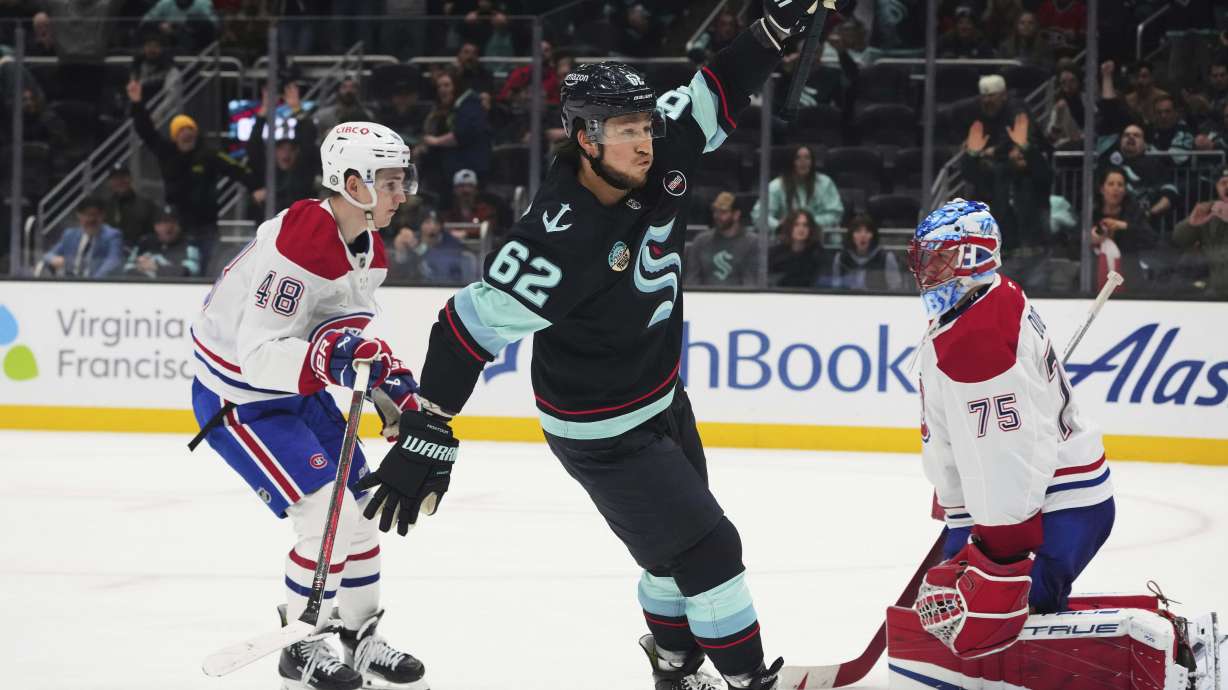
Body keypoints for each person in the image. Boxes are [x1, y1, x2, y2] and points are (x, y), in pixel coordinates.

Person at [355, 3, 847, 688]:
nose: (644, 143)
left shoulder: (664, 147)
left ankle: (675, 669)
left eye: (645, 125)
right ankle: (749, 681)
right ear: (586, 138)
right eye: (625, 131)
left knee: (672, 556)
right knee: (711, 551)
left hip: (662, 397)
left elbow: (719, 86)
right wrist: (427, 423)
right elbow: (465, 326)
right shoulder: (556, 238)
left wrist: (772, 27)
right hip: (600, 429)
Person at [188, 122, 427, 690]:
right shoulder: (299, 241)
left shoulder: (368, 246)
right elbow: (259, 356)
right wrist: (336, 359)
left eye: (403, 181)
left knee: (363, 510)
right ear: (353, 184)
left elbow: (339, 334)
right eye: (390, 182)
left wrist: (389, 388)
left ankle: (360, 639)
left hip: (298, 391)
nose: (402, 194)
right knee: (327, 517)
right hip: (241, 400)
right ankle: (301, 646)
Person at [904, 198, 1114, 660]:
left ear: (973, 256)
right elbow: (967, 431)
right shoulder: (982, 301)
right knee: (959, 608)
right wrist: (956, 495)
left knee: (979, 623)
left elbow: (1008, 454)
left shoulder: (976, 336)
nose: (927, 269)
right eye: (926, 258)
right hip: (1042, 502)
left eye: (940, 257)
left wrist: (1000, 553)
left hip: (1050, 511)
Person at [127, 78, 266, 251]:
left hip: (206, 224)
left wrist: (256, 187)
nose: (186, 133)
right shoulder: (166, 152)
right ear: (175, 136)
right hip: (178, 225)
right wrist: (137, 103)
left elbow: (236, 169)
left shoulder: (208, 154)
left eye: (189, 129)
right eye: (181, 130)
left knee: (209, 260)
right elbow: (146, 131)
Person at [1090, 166, 1157, 289]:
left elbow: (1151, 239)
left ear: (1125, 190)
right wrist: (1090, 239)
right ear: (1102, 189)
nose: (1115, 188)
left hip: (1129, 277)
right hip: (1093, 277)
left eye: (1120, 185)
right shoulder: (1091, 214)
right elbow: (1073, 242)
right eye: (1111, 184)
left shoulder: (1134, 213)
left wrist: (1124, 226)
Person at [752, 144, 843, 231]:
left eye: (807, 158)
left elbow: (835, 214)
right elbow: (759, 216)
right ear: (791, 161)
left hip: (819, 235)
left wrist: (807, 224)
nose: (803, 162)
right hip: (784, 236)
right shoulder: (776, 186)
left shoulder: (825, 183)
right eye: (798, 158)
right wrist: (779, 226)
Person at [686, 191, 762, 287]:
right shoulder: (701, 241)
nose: (717, 216)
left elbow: (750, 281)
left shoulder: (752, 242)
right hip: (703, 295)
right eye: (715, 211)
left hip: (739, 295)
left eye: (723, 212)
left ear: (736, 214)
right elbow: (692, 279)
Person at [1172, 168, 1228, 297]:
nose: (1227, 187)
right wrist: (1191, 224)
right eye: (1223, 183)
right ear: (1217, 187)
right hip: (1215, 293)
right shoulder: (1209, 210)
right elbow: (1178, 238)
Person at [40, 196, 124, 278]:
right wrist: (54, 259)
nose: (91, 219)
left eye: (95, 214)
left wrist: (92, 282)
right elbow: (47, 255)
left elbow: (113, 262)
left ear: (103, 216)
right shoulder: (70, 235)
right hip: (69, 282)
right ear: (79, 215)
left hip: (97, 282)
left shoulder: (113, 236)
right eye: (87, 215)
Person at [829, 213, 904, 291]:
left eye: (867, 232)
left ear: (873, 236)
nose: (863, 235)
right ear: (851, 236)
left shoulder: (886, 257)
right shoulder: (841, 258)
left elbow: (896, 288)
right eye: (858, 231)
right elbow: (836, 287)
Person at [123, 205, 202, 278]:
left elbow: (191, 270)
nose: (166, 227)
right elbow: (127, 269)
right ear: (155, 226)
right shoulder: (145, 242)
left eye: (171, 222)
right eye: (160, 223)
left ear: (178, 226)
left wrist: (156, 267)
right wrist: (141, 269)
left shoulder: (189, 243)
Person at [103, 164, 159, 248]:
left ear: (130, 178)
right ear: (109, 182)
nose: (120, 181)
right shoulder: (104, 207)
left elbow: (156, 232)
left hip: (141, 251)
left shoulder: (147, 204)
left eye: (123, 177)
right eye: (115, 178)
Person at [767, 209, 824, 287]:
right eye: (796, 225)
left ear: (810, 229)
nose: (801, 229)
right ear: (789, 227)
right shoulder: (775, 254)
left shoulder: (818, 254)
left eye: (805, 225)